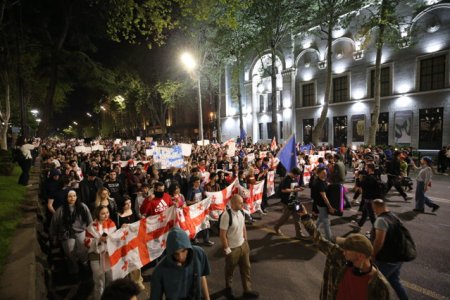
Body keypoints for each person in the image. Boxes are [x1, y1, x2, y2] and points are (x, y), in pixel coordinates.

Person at [298, 204, 392, 300]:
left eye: (347, 249)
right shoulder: (340, 258)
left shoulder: (380, 286)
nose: (343, 251)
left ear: (360, 256)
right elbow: (319, 240)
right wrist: (305, 217)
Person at [150, 227, 211, 300]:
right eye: (176, 254)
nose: (181, 257)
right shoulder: (159, 271)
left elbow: (201, 276)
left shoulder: (199, 254)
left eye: (183, 251)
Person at [220, 195, 259, 299]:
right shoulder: (226, 216)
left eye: (242, 202)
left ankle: (247, 290)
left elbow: (243, 226)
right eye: (240, 203)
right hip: (233, 249)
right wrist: (227, 249)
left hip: (243, 246)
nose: (242, 204)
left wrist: (245, 240)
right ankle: (228, 289)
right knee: (230, 271)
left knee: (246, 269)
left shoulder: (241, 212)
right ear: (233, 203)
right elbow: (222, 234)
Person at [50, 190, 93, 277]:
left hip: (81, 231)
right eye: (70, 196)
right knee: (69, 252)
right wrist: (53, 237)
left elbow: (90, 220)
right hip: (67, 234)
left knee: (83, 250)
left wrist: (92, 233)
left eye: (74, 196)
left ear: (77, 197)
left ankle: (85, 265)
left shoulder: (83, 207)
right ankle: (74, 270)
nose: (72, 198)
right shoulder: (61, 210)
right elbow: (54, 223)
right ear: (66, 198)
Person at [372, 199, 408, 300]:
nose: (374, 211)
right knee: (394, 280)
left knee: (376, 283)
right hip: (399, 256)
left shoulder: (381, 220)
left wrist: (373, 254)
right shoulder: (394, 216)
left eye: (374, 209)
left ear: (377, 207)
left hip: (388, 258)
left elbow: (379, 241)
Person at [85, 205, 117, 300]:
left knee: (110, 278)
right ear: (97, 214)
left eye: (107, 212)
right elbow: (87, 243)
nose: (106, 215)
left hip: (108, 255)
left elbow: (116, 239)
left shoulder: (112, 224)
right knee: (99, 281)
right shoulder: (91, 227)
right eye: (103, 213)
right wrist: (99, 240)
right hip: (95, 255)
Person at [273, 167, 306, 239]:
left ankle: (299, 234)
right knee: (285, 217)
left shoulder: (295, 178)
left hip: (294, 201)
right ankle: (276, 227)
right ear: (293, 174)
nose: (298, 177)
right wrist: (295, 190)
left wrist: (299, 188)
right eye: (297, 175)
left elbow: (295, 187)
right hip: (287, 202)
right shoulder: (286, 179)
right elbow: (283, 190)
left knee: (297, 217)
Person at [350, 163, 383, 232]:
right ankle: (359, 225)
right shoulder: (375, 176)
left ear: (370, 169)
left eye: (366, 168)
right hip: (371, 198)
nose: (365, 169)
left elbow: (359, 185)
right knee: (365, 214)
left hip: (369, 199)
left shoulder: (369, 178)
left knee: (372, 217)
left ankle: (377, 231)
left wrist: (357, 177)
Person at [311, 167, 335, 241]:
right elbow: (324, 197)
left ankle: (314, 231)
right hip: (322, 205)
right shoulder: (319, 183)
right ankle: (329, 238)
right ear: (318, 174)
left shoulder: (320, 181)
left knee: (320, 219)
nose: (325, 174)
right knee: (326, 222)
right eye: (323, 173)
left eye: (326, 172)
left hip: (319, 204)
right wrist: (330, 207)